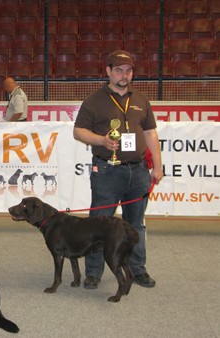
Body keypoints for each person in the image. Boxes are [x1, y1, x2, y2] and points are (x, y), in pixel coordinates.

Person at [73, 50, 163, 290]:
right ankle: (93, 273)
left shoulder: (141, 100)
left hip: (139, 172)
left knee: (137, 224)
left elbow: (150, 134)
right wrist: (102, 141)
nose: (125, 75)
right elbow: (78, 131)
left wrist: (158, 165)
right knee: (98, 223)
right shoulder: (94, 100)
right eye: (119, 70)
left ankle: (138, 269)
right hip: (106, 172)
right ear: (108, 72)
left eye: (129, 70)